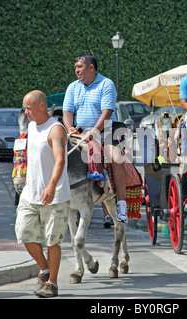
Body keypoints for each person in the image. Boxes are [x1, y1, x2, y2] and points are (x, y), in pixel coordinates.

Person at [15, 90, 71, 298]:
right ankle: (44, 269)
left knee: (52, 240)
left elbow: (60, 160)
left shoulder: (56, 130)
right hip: (30, 194)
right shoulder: (30, 126)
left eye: (28, 108)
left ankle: (52, 283)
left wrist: (51, 186)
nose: (25, 112)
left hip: (54, 197)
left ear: (41, 106)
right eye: (24, 108)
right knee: (24, 232)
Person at [63, 52, 128, 223]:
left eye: (80, 67)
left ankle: (121, 204)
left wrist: (95, 130)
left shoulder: (106, 84)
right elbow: (67, 112)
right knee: (60, 155)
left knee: (116, 157)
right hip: (79, 132)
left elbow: (107, 113)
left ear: (91, 67)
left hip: (106, 131)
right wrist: (69, 127)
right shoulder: (73, 87)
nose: (77, 70)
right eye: (75, 67)